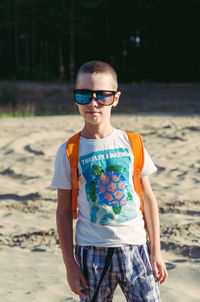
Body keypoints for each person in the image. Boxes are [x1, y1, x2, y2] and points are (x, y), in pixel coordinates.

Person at [51, 60, 168, 302]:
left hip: (136, 249)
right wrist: (70, 265)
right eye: (84, 95)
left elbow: (147, 198)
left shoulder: (132, 143)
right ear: (76, 99)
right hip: (91, 253)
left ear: (115, 98)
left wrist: (156, 251)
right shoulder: (69, 151)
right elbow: (63, 211)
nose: (93, 103)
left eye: (102, 95)